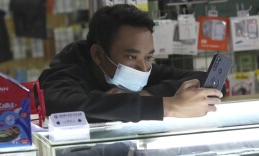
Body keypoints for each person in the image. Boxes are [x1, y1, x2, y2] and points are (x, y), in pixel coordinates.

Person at [38, 4, 224, 123]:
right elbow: (73, 107)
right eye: (132, 57)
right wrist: (169, 106)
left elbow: (202, 79)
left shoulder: (142, 69)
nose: (143, 69)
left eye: (149, 57)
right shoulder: (61, 76)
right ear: (98, 55)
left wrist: (145, 94)